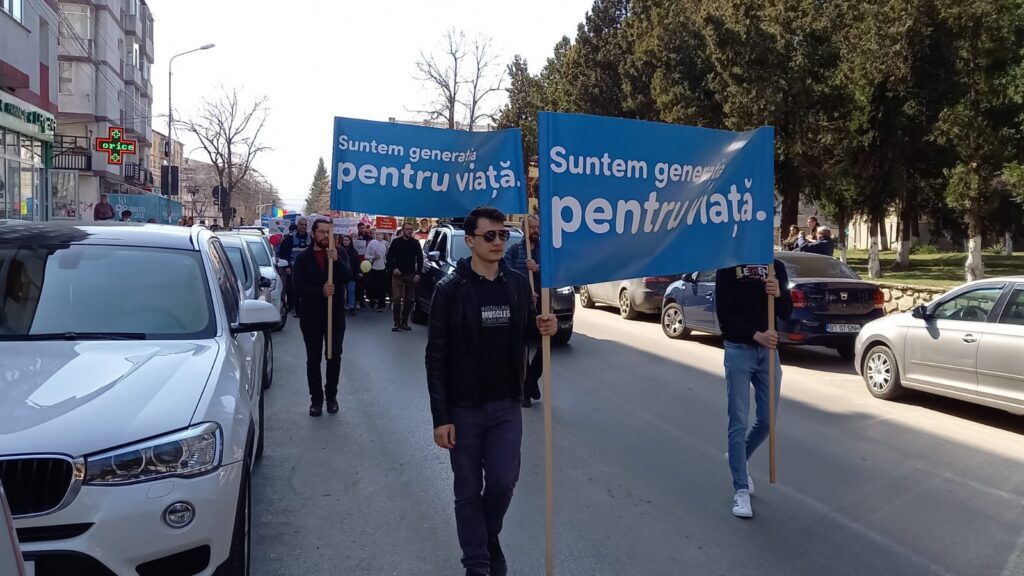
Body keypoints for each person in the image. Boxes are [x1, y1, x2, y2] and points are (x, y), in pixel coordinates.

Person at [426, 206, 557, 576]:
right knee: (468, 490)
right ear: (470, 241)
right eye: (490, 236)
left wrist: (542, 327)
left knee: (502, 483)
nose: (498, 242)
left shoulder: (516, 284)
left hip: (506, 405)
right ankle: (477, 563)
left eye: (502, 235)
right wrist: (441, 417)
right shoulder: (449, 290)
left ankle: (488, 535)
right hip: (464, 408)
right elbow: (435, 357)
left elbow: (526, 335)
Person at [715, 260, 793, 519]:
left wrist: (778, 293)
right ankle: (740, 489)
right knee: (738, 420)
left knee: (768, 421)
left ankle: (738, 456)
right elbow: (725, 315)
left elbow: (786, 312)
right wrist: (754, 334)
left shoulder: (775, 267)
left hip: (769, 354)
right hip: (739, 350)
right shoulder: (729, 267)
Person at [293, 219, 352, 417]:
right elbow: (297, 287)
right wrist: (320, 291)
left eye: (329, 232)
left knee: (334, 356)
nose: (326, 236)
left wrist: (336, 261)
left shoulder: (339, 253)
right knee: (313, 359)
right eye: (322, 232)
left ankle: (331, 396)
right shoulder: (304, 257)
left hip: (335, 315)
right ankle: (316, 400)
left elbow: (347, 277)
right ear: (313, 234)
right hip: (311, 316)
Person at [503, 214, 543, 407]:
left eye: (537, 227)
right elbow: (507, 278)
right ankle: (525, 391)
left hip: (543, 305)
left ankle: (532, 380)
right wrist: (525, 293)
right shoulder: (513, 252)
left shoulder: (547, 252)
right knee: (523, 347)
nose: (535, 230)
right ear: (523, 228)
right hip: (522, 306)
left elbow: (554, 272)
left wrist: (538, 268)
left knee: (546, 346)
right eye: (532, 227)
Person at [386, 222, 424, 331]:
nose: (409, 231)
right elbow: (389, 257)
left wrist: (418, 274)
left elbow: (420, 259)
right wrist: (393, 268)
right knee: (397, 298)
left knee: (408, 299)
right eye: (407, 229)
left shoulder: (415, 243)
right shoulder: (396, 242)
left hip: (410, 274)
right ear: (403, 230)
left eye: (411, 229)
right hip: (397, 274)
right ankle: (396, 323)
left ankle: (404, 322)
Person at [277, 220, 312, 316]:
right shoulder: (290, 238)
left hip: (307, 267)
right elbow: (284, 253)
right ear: (298, 226)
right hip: (293, 267)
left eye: (305, 225)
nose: (304, 226)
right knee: (293, 288)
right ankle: (295, 308)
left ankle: (305, 308)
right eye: (302, 225)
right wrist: (287, 266)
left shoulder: (311, 238)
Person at [364, 231, 389, 311]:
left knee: (382, 287)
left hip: (382, 268)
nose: (377, 236)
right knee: (373, 286)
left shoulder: (386, 244)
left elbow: (388, 256)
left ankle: (381, 305)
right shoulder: (372, 243)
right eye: (376, 234)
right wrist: (373, 258)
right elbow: (366, 256)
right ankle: (372, 301)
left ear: (383, 235)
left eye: (379, 234)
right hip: (373, 268)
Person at [339, 234, 361, 316]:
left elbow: (357, 264)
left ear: (350, 241)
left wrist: (357, 273)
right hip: (341, 275)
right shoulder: (339, 251)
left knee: (351, 291)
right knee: (341, 291)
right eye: (344, 240)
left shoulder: (354, 251)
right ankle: (341, 306)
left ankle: (351, 307)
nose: (345, 242)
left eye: (347, 240)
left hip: (351, 275)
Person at [354, 222, 374, 308]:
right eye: (360, 228)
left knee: (364, 283)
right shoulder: (355, 237)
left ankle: (362, 300)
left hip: (366, 262)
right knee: (358, 283)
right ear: (358, 229)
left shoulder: (369, 237)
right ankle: (357, 300)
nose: (362, 229)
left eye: (363, 228)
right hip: (357, 262)